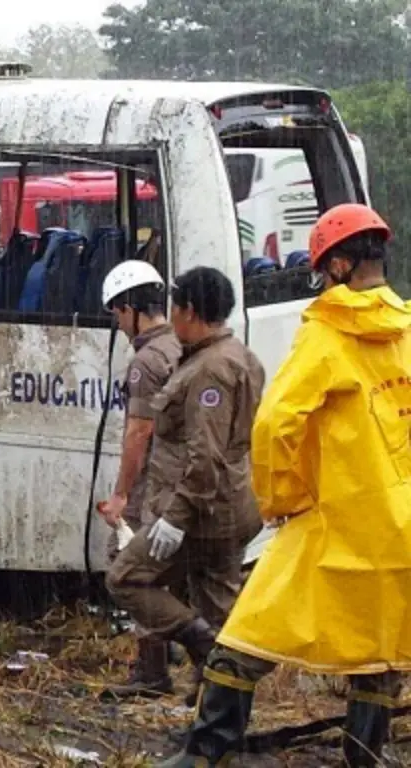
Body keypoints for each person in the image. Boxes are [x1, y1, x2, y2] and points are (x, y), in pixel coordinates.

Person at [158, 204, 411, 768]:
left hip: (335, 519)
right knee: (378, 646)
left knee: (247, 636)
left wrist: (282, 498)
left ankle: (205, 752)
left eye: (323, 271)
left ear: (340, 266)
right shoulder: (406, 329)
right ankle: (365, 754)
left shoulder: (328, 333)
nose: (320, 282)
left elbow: (275, 424)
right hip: (398, 529)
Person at [105, 266, 265, 707]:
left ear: (190, 310)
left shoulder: (210, 371)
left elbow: (205, 455)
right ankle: (214, 713)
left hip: (200, 511)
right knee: (217, 602)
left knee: (126, 577)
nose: (169, 318)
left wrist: (173, 519)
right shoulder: (234, 354)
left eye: (175, 308)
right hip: (230, 505)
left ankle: (200, 644)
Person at [95, 260, 183, 698]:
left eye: (116, 312)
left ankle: (154, 670)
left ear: (130, 307)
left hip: (155, 479)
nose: (117, 322)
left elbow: (139, 432)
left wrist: (121, 494)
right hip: (184, 477)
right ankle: (168, 650)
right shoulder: (181, 344)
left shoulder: (146, 360)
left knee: (129, 564)